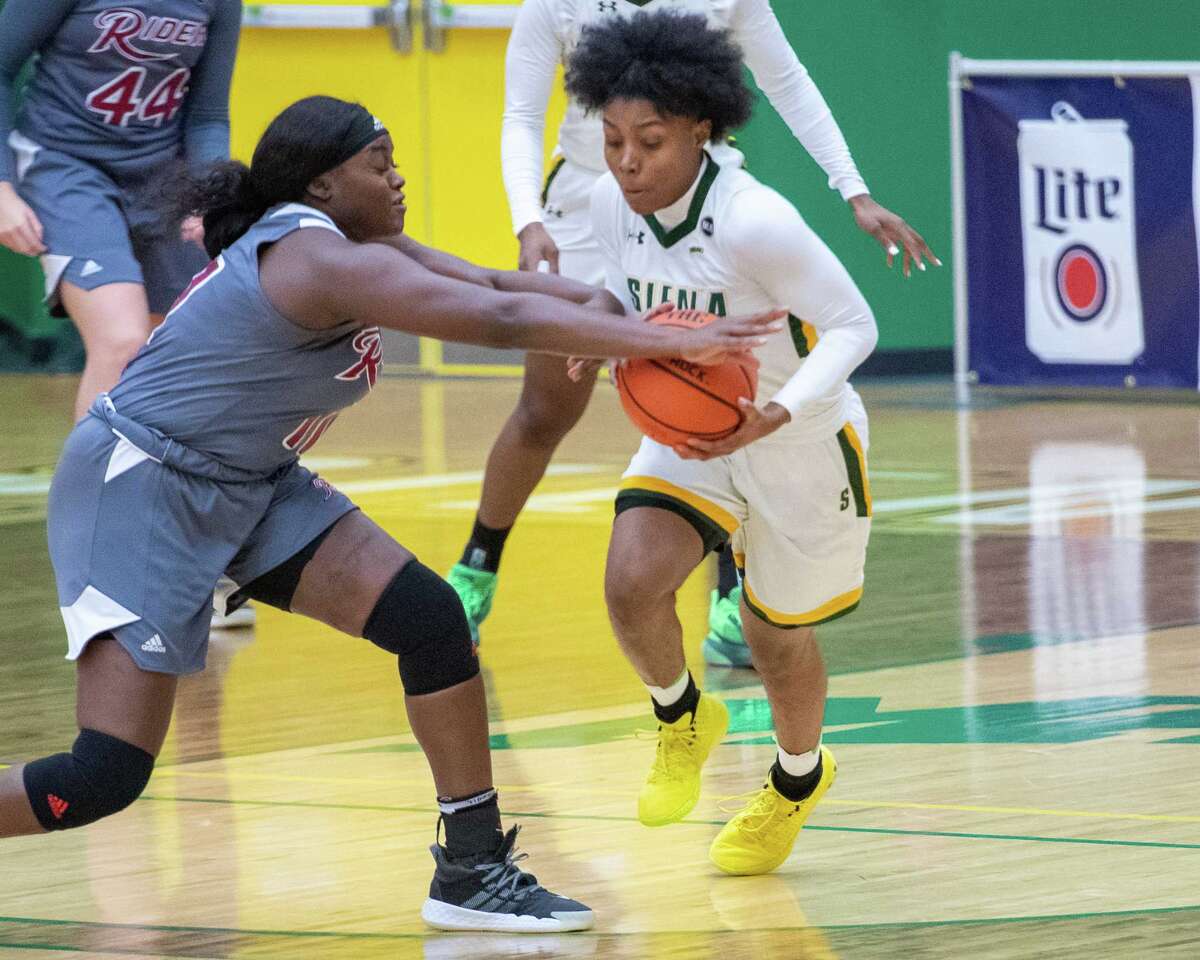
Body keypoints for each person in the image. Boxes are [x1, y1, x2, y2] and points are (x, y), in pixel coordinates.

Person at [0, 95, 781, 929]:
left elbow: (491, 282)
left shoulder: (360, 245)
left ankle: (473, 870)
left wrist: (611, 316)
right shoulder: (316, 259)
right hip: (143, 485)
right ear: (325, 183)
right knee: (103, 775)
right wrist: (666, 346)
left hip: (249, 478)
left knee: (429, 619)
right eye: (380, 163)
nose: (398, 177)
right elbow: (497, 318)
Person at [448, 0, 935, 663]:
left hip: (693, 195)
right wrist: (528, 220)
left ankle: (732, 592)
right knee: (546, 406)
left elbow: (785, 77)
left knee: (719, 386)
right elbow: (521, 113)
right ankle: (478, 567)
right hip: (586, 207)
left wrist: (852, 189)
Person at [567, 10, 876, 875]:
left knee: (775, 640)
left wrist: (779, 414)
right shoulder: (605, 199)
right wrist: (591, 337)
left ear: (701, 130)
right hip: (693, 428)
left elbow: (855, 324)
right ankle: (681, 718)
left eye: (651, 142)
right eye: (615, 139)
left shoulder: (755, 221)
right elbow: (618, 296)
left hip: (798, 437)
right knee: (630, 585)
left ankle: (795, 780)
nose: (627, 162)